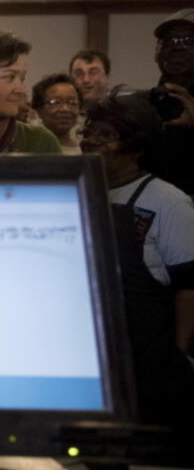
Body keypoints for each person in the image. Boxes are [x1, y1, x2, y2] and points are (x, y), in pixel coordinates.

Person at [80, 96, 194, 423]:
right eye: (89, 132)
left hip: (150, 363)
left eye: (106, 135)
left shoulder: (168, 202)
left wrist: (181, 356)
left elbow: (189, 288)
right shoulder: (81, 189)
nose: (91, 142)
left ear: (136, 146)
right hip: (96, 360)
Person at [121, 9, 194, 197]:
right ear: (156, 52)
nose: (178, 48)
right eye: (169, 41)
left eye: (189, 41)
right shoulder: (137, 106)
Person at [31, 73, 83, 155]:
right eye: (55, 102)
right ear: (39, 110)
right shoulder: (30, 148)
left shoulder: (85, 150)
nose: (65, 109)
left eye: (72, 102)